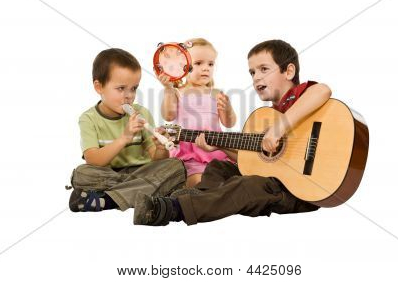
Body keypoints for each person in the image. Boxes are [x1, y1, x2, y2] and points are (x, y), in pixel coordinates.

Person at [133, 39, 332, 226]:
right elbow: (251, 161)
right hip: (273, 178)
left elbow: (322, 90)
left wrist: (278, 130)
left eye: (264, 69)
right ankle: (192, 198)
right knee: (218, 167)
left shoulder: (299, 100)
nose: (257, 77)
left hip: (301, 190)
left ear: (288, 71)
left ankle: (173, 209)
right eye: (252, 72)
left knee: (248, 186)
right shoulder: (269, 115)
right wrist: (219, 145)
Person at [68, 48, 186, 213]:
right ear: (99, 87)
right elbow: (93, 161)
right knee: (82, 174)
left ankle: (106, 200)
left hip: (142, 170)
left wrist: (160, 149)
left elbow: (156, 160)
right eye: (121, 88)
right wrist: (124, 138)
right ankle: (143, 191)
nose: (129, 95)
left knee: (176, 167)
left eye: (133, 88)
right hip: (108, 174)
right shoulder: (88, 119)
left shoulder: (142, 113)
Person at [158, 38, 237, 187]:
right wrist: (168, 89)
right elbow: (168, 115)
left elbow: (229, 123)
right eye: (199, 63)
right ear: (183, 67)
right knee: (197, 181)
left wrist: (228, 109)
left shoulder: (216, 93)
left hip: (215, 153)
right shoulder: (177, 92)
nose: (206, 68)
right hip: (188, 156)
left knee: (230, 180)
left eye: (210, 64)